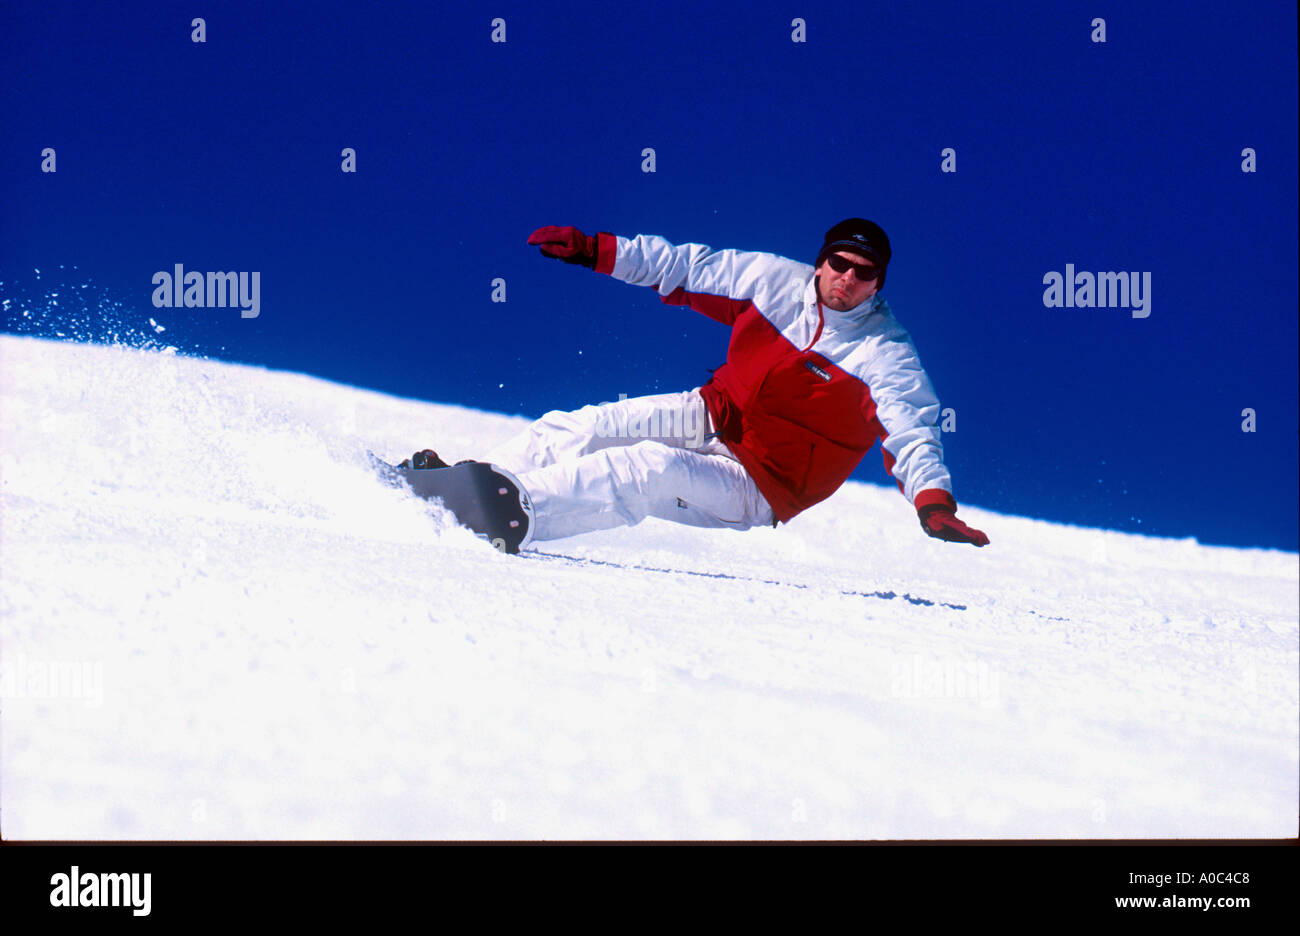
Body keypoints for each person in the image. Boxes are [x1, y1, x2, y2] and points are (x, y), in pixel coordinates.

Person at [411, 219, 988, 547]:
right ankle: (468, 486)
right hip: (713, 412)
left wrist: (932, 504)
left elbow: (912, 430)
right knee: (581, 427)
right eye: (840, 263)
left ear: (877, 285)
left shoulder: (885, 353)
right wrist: (598, 251)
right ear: (821, 263)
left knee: (644, 470)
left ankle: (509, 515)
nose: (847, 279)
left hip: (763, 480)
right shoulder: (773, 282)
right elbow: (688, 266)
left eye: (864, 274)